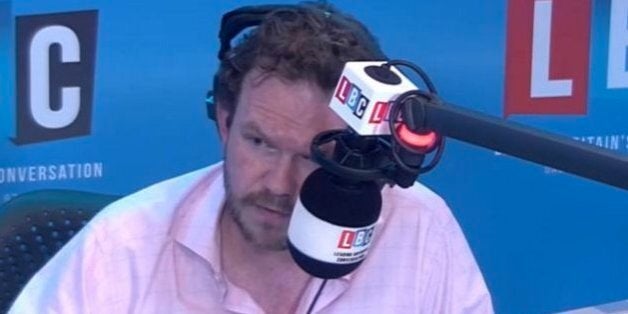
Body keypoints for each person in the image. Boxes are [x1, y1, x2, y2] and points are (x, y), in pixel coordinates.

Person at [10, 2, 493, 313]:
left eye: (314, 156)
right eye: (260, 143)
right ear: (223, 121)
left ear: (362, 148)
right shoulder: (118, 251)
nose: (280, 185)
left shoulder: (419, 229)